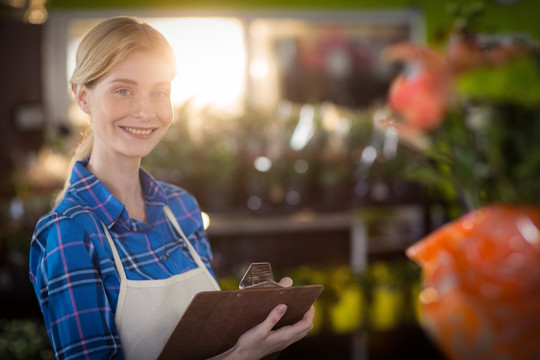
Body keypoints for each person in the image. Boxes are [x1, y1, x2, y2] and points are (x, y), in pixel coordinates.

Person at [29, 16, 315, 360]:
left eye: (159, 92)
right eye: (123, 90)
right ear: (83, 97)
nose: (145, 110)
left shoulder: (181, 207)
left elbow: (207, 339)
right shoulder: (69, 232)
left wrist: (261, 319)